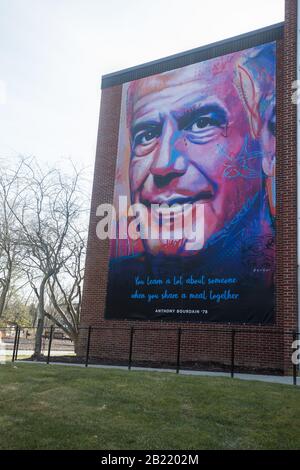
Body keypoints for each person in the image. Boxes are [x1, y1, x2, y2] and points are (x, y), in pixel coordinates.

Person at [105, 42, 276, 323]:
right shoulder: (117, 284)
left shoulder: (285, 282)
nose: (163, 164)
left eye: (201, 123)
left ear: (267, 148)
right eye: (147, 135)